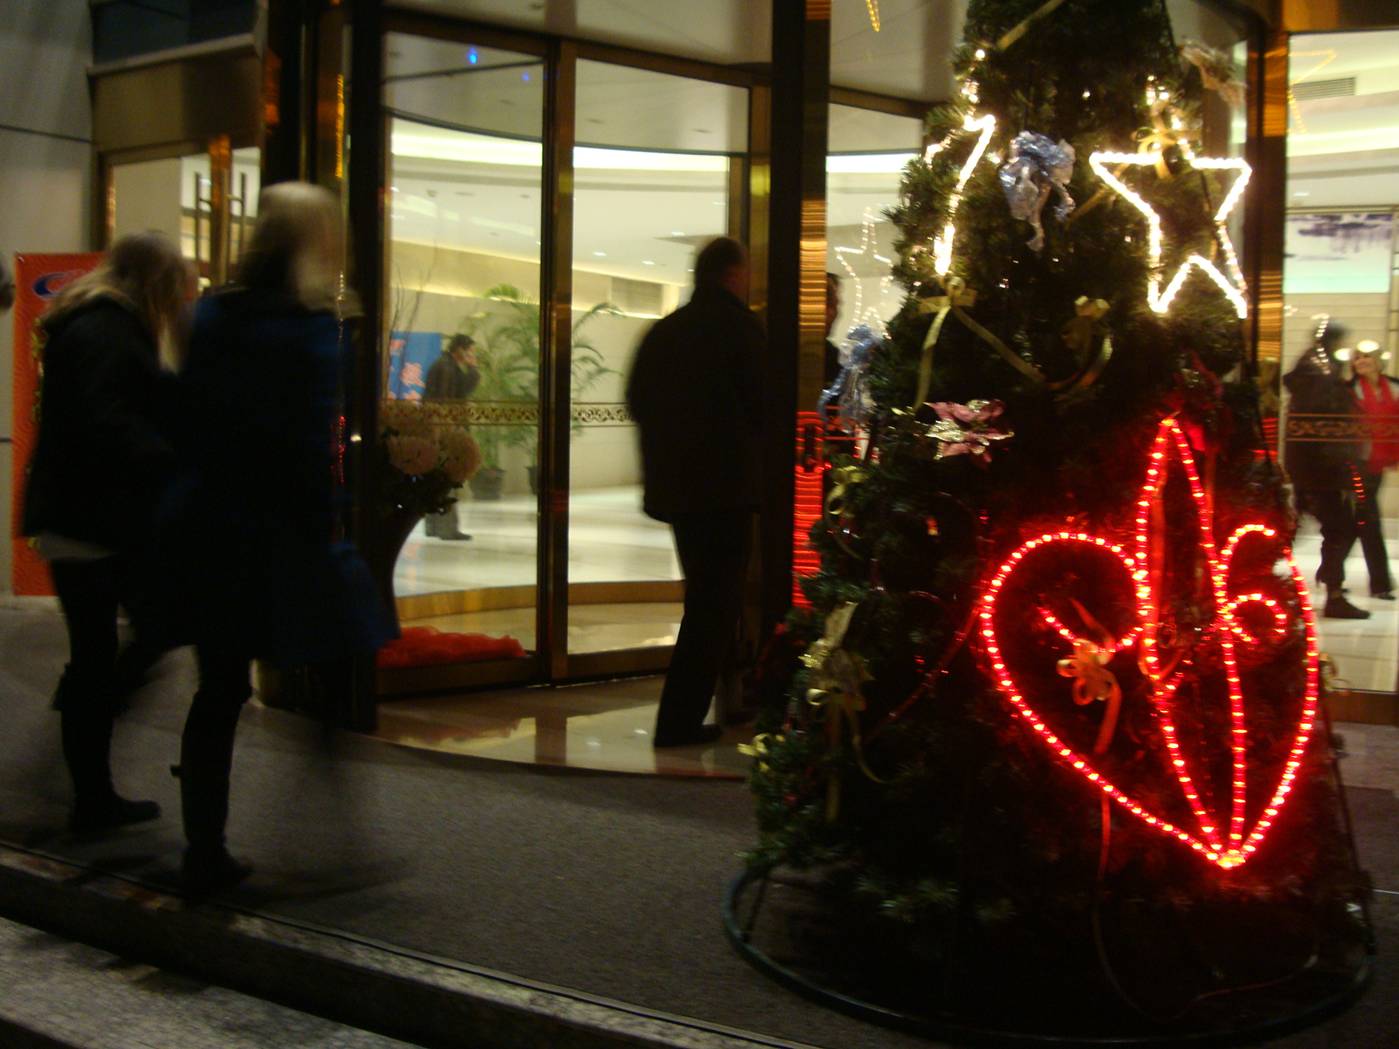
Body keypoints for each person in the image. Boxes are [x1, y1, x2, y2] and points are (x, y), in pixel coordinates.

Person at [169, 182, 395, 892]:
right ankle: (327, 833)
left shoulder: (210, 314)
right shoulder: (307, 329)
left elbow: (191, 417)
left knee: (220, 689)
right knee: (334, 671)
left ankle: (203, 847)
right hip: (284, 534)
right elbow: (304, 443)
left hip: (212, 525)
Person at [21, 232, 189, 832]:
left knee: (105, 650)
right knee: (131, 641)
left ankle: (89, 769)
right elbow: (105, 420)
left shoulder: (91, 322)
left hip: (81, 517)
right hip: (96, 519)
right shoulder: (109, 329)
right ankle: (90, 784)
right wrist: (169, 456)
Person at [627, 237, 763, 747]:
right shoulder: (742, 330)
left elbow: (638, 400)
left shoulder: (666, 331)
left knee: (703, 598)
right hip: (726, 491)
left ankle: (704, 709)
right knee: (714, 605)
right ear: (732, 274)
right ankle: (679, 721)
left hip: (679, 493)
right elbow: (762, 405)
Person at [1284, 317, 1369, 619]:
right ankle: (1333, 591)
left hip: (1313, 468)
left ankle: (1330, 580)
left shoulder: (1316, 367)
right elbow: (1328, 420)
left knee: (1330, 527)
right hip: (1322, 469)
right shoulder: (1322, 372)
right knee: (1342, 527)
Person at [1344, 339, 1399, 600]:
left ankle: (1329, 571)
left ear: (1378, 359)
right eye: (1357, 357)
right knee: (1370, 519)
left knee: (1359, 520)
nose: (1361, 361)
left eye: (1366, 356)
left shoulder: (1395, 387)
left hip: (1380, 463)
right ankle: (1381, 583)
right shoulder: (1349, 390)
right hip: (1357, 463)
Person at [422, 333, 480, 540]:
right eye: (470, 351)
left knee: (437, 477)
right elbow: (451, 400)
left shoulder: (445, 365)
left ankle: (434, 527)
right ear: (460, 349)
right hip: (445, 430)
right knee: (448, 476)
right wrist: (473, 369)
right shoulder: (447, 368)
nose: (472, 355)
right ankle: (447, 528)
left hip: (437, 428)